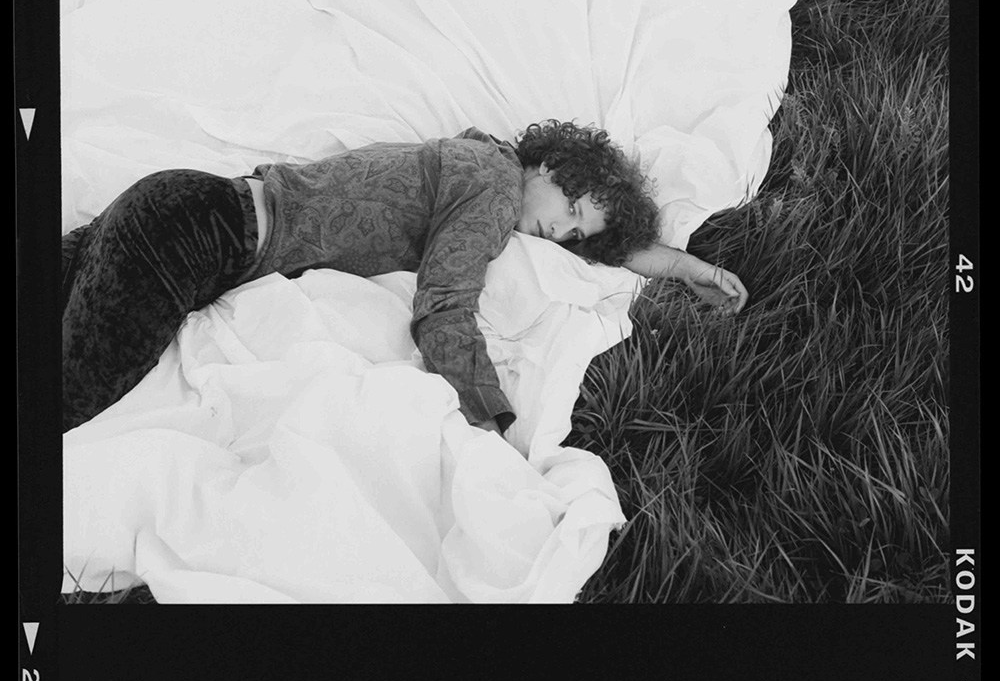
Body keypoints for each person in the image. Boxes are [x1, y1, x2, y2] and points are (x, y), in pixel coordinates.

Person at [61, 120, 747, 434]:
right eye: (570, 207)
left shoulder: (478, 156)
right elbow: (444, 305)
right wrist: (492, 414)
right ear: (547, 166)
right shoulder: (495, 192)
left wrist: (687, 266)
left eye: (575, 237)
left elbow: (608, 242)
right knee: (65, 400)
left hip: (188, 207)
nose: (559, 233)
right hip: (192, 238)